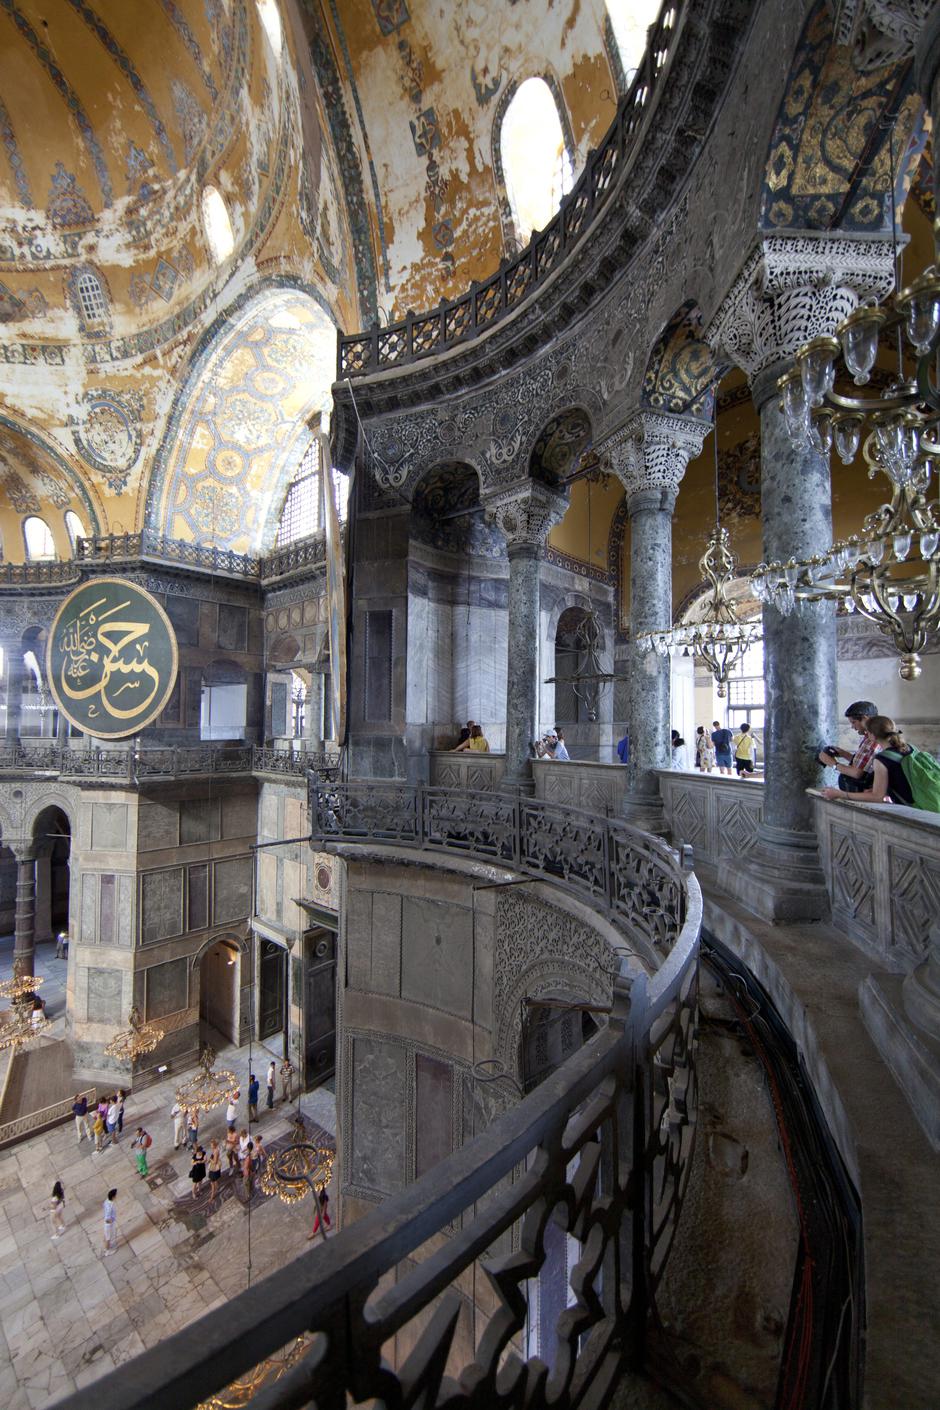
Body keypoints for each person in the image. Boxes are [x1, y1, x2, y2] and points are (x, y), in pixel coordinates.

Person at [821, 717, 940, 811]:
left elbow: (877, 797)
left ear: (872, 735)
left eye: (867, 732)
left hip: (918, 808)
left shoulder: (881, 759)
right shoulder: (909, 747)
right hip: (932, 799)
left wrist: (840, 794)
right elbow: (903, 777)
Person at [818, 700, 880, 792]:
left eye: (853, 722)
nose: (852, 727)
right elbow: (866, 765)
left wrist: (833, 764)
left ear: (865, 719)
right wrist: (843, 753)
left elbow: (857, 773)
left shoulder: (872, 740)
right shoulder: (872, 737)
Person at [102, 1188, 117, 1256]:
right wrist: (112, 1221)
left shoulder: (106, 1201)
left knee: (107, 1236)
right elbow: (107, 1219)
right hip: (109, 1225)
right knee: (108, 1238)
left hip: (108, 1224)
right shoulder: (110, 1206)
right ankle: (107, 1251)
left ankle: (106, 1247)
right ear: (113, 1197)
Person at [207, 1139, 222, 1205]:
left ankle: (212, 1197)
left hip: (214, 1169)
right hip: (214, 1169)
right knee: (215, 1181)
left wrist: (210, 1159)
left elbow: (215, 1162)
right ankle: (217, 1189)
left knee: (212, 1183)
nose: (210, 1146)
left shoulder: (216, 1151)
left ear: (214, 1145)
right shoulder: (215, 1150)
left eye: (211, 1145)